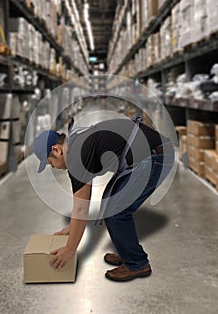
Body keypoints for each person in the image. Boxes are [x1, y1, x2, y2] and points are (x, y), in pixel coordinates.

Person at [33, 117, 175, 282]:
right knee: (111, 206)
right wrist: (72, 227)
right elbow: (81, 201)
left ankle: (137, 264)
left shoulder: (76, 156)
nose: (55, 167)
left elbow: (81, 208)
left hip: (155, 157)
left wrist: (70, 249)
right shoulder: (77, 143)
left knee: (116, 212)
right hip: (150, 155)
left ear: (57, 150)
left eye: (50, 163)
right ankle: (128, 253)